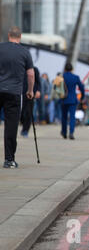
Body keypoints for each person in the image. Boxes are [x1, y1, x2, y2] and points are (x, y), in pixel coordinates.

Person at [0, 26, 34, 168]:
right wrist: (30, 91)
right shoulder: (25, 53)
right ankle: (9, 160)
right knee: (11, 126)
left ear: (9, 35)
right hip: (14, 93)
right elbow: (31, 74)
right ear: (20, 37)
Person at [61, 63, 85, 140]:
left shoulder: (62, 77)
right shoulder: (75, 77)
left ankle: (64, 132)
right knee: (72, 117)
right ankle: (71, 132)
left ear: (65, 69)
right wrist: (82, 97)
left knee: (64, 116)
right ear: (72, 69)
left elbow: (56, 87)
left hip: (63, 99)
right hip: (72, 99)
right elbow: (81, 88)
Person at [20, 66, 41, 138]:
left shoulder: (35, 69)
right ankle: (23, 123)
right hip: (21, 93)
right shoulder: (21, 68)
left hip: (31, 93)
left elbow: (38, 81)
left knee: (29, 112)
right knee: (22, 112)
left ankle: (25, 130)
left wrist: (38, 91)